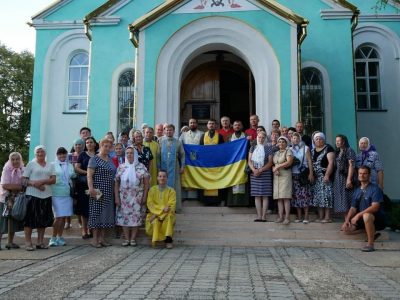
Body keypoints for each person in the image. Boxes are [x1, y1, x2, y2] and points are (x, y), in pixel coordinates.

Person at [341, 166, 386, 252]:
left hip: (376, 219)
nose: (362, 175)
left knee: (367, 215)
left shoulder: (375, 189)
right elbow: (353, 208)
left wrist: (358, 215)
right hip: (362, 219)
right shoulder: (357, 190)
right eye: (360, 173)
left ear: (369, 175)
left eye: (365, 173)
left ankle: (370, 244)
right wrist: (347, 220)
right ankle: (371, 232)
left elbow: (375, 207)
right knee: (345, 230)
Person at [23, 145, 56, 251]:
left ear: (45, 153)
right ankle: (28, 242)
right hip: (32, 195)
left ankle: (40, 242)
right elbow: (23, 180)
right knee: (29, 219)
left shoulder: (50, 165)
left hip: (46, 195)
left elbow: (53, 180)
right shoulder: (31, 164)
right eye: (38, 152)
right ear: (35, 153)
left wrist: (42, 181)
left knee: (43, 219)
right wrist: (34, 183)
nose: (40, 154)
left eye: (42, 152)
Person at [115, 146, 149, 246]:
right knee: (124, 217)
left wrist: (145, 196)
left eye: (131, 153)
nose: (129, 155)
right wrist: (117, 197)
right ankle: (126, 238)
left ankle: (133, 239)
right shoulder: (121, 167)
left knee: (136, 217)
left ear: (135, 154)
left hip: (137, 197)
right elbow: (116, 183)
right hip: (124, 197)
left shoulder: (141, 166)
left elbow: (147, 184)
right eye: (127, 153)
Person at [87, 138, 117, 248]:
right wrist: (91, 188)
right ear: (100, 146)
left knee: (106, 215)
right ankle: (94, 239)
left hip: (109, 191)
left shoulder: (110, 159)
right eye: (106, 146)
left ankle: (102, 239)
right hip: (98, 191)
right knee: (96, 214)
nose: (108, 148)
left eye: (109, 146)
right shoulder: (94, 159)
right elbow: (89, 175)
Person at [49, 147, 76, 247]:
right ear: (57, 155)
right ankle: (53, 237)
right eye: (60, 154)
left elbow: (72, 176)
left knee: (64, 217)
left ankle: (60, 237)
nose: (62, 156)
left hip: (67, 193)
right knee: (58, 217)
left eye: (64, 154)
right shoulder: (52, 165)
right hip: (56, 193)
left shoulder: (69, 165)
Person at [0, 152, 25, 250]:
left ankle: (10, 242)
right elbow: (5, 185)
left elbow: (25, 183)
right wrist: (20, 187)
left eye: (17, 159)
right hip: (4, 198)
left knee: (13, 220)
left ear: (20, 159)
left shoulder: (23, 169)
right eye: (13, 159)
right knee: (2, 221)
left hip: (16, 198)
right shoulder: (6, 169)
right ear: (10, 160)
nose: (15, 161)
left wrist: (18, 188)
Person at [157, 124, 185, 212]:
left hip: (174, 167)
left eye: (171, 130)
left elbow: (183, 155)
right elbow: (158, 155)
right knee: (162, 186)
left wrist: (182, 166)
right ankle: (163, 206)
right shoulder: (161, 141)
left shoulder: (178, 142)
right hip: (163, 168)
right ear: (165, 131)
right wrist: (158, 167)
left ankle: (175, 207)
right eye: (167, 130)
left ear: (174, 131)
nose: (169, 132)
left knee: (175, 186)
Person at [146, 170, 176, 249]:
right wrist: (160, 210)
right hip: (154, 213)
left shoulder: (171, 191)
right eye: (160, 176)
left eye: (164, 176)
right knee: (155, 221)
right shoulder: (152, 190)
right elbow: (150, 204)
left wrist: (159, 214)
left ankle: (168, 241)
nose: (162, 178)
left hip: (166, 214)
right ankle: (155, 240)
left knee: (169, 218)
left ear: (167, 178)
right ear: (157, 178)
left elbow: (171, 206)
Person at [75, 136, 97, 239]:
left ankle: (91, 229)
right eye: (87, 142)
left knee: (93, 207)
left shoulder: (98, 155)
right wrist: (88, 173)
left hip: (96, 184)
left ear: (95, 144)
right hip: (83, 185)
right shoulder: (82, 155)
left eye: (91, 142)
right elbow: (77, 168)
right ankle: (84, 230)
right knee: (84, 208)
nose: (89, 144)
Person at [248, 131, 273, 222]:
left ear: (265, 138)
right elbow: (249, 161)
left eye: (263, 137)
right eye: (259, 137)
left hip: (265, 173)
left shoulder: (268, 148)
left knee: (265, 195)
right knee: (257, 195)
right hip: (254, 174)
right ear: (256, 138)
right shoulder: (252, 147)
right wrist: (254, 170)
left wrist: (260, 170)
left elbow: (270, 162)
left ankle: (264, 216)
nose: (261, 139)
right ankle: (258, 215)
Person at [290, 133, 314, 223]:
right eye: (293, 138)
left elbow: (309, 161)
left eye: (296, 138)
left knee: (304, 195)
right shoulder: (290, 149)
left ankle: (306, 216)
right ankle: (299, 216)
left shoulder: (305, 148)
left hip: (303, 174)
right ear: (291, 139)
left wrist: (311, 173)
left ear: (299, 139)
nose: (295, 140)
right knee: (296, 196)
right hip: (294, 174)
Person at [312, 132, 335, 223]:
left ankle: (327, 217)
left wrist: (327, 175)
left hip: (325, 176)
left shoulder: (328, 148)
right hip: (316, 178)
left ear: (323, 139)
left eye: (320, 138)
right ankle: (320, 217)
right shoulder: (313, 150)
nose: (318, 140)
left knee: (326, 197)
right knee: (318, 197)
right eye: (316, 139)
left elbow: (331, 163)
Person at [200, 119, 224, 203]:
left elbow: (222, 150)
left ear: (216, 126)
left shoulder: (220, 136)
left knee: (216, 180)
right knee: (206, 180)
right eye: (209, 124)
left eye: (213, 124)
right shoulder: (203, 136)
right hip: (206, 163)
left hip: (216, 163)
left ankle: (216, 201)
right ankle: (206, 201)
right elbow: (200, 149)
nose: (211, 125)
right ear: (207, 125)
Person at [272, 136, 294, 225]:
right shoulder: (276, 152)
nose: (281, 143)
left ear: (286, 143)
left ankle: (287, 217)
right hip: (277, 176)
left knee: (285, 197)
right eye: (279, 142)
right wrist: (275, 168)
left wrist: (278, 167)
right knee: (279, 198)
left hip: (285, 175)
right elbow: (274, 164)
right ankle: (280, 217)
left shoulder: (288, 151)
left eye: (283, 142)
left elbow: (289, 162)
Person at [333, 134, 356, 214]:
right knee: (341, 199)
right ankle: (346, 220)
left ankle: (350, 221)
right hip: (338, 177)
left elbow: (351, 165)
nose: (337, 143)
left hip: (345, 176)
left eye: (339, 141)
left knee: (347, 198)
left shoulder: (349, 150)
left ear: (344, 141)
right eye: (336, 141)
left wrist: (349, 179)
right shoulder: (338, 151)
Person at [228, 120, 248, 206]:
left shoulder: (246, 136)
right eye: (235, 125)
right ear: (233, 127)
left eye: (239, 125)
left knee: (243, 181)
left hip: (243, 162)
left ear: (242, 126)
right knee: (233, 181)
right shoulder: (230, 137)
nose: (237, 127)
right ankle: (232, 202)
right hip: (233, 163)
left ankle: (244, 202)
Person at [66, 138, 85, 229]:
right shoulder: (70, 155)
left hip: (81, 180)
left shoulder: (84, 155)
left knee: (79, 201)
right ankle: (67, 222)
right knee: (69, 200)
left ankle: (80, 221)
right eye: (76, 145)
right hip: (70, 181)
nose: (78, 146)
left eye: (80, 144)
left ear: (83, 146)